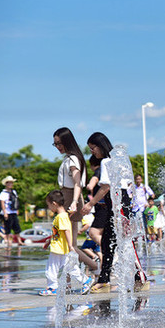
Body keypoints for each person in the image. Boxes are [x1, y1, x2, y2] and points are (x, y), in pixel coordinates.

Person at [53, 127, 99, 274]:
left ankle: (94, 268)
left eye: (59, 143)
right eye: (55, 144)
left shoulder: (73, 159)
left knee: (69, 244)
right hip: (67, 197)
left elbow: (77, 184)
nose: (58, 147)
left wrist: (73, 202)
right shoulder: (70, 158)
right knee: (70, 244)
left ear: (67, 141)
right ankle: (94, 268)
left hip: (70, 198)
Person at [39, 190, 93, 296]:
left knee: (51, 268)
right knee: (71, 267)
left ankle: (53, 287)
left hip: (59, 248)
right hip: (60, 247)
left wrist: (70, 245)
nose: (49, 208)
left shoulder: (61, 217)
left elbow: (66, 231)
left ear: (54, 203)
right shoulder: (63, 216)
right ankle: (86, 281)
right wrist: (49, 241)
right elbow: (58, 233)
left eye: (49, 205)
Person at [81, 132, 116, 293]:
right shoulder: (118, 160)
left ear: (101, 145)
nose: (92, 152)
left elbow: (105, 187)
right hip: (120, 207)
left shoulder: (107, 162)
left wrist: (90, 203)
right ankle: (105, 279)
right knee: (113, 244)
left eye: (93, 148)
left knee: (111, 244)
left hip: (114, 207)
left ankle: (105, 280)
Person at [0, 176, 24, 247]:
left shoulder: (14, 192)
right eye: (9, 183)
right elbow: (2, 203)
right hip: (7, 212)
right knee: (8, 227)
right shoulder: (3, 193)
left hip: (13, 211)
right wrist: (5, 212)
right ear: (6, 184)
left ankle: (19, 241)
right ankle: (8, 241)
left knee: (16, 226)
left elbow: (16, 201)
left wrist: (17, 209)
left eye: (11, 183)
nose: (10, 184)